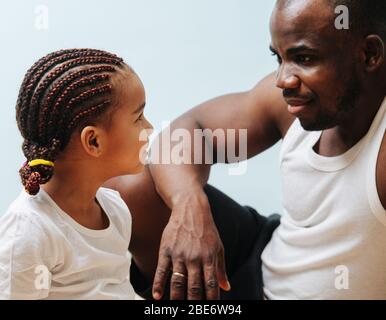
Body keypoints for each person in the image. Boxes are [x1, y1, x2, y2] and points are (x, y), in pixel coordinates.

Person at [106, 0, 386, 299]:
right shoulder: (289, 100)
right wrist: (189, 206)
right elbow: (188, 131)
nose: (283, 80)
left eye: (304, 58)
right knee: (129, 190)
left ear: (369, 54)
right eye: (278, 58)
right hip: (259, 257)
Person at [0, 48, 153, 299]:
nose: (149, 128)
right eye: (139, 118)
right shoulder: (29, 231)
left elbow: (119, 291)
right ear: (93, 141)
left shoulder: (115, 209)